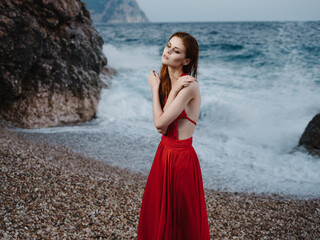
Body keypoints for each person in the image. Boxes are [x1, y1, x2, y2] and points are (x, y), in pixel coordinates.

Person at [137, 32, 210, 240]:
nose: (168, 51)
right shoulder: (170, 82)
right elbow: (162, 128)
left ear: (186, 61)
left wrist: (154, 89)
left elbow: (160, 124)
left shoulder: (188, 84)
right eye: (168, 46)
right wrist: (167, 87)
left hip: (180, 159)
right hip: (164, 153)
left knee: (180, 223)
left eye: (176, 50)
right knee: (158, 215)